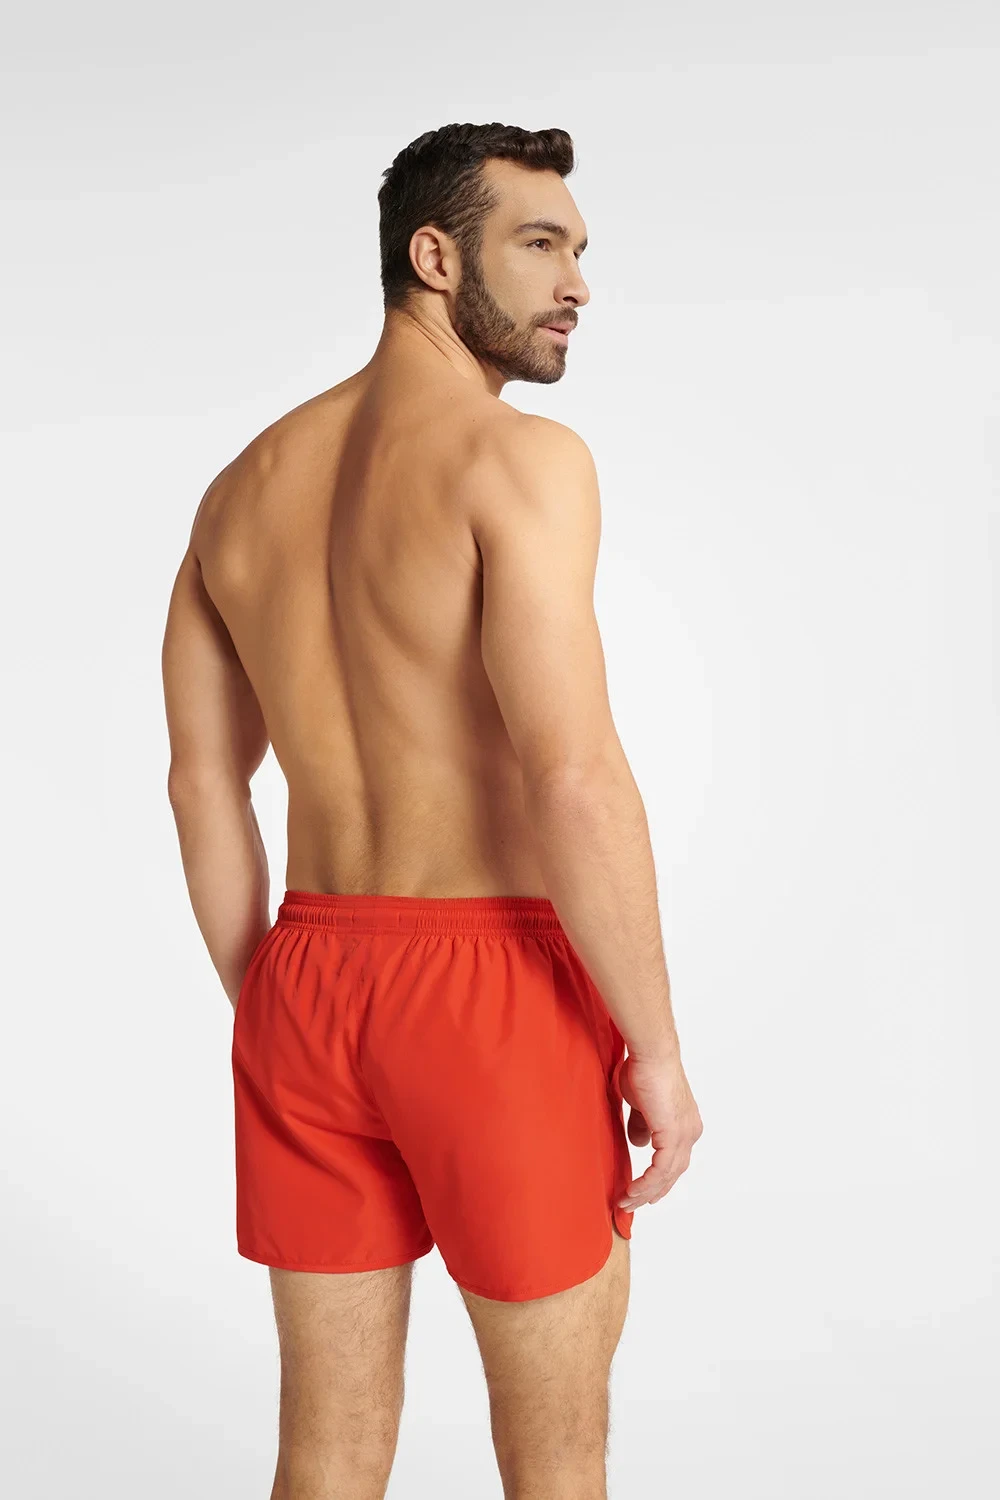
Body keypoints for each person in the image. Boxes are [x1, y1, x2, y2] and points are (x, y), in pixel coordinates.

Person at [161, 121, 703, 1500]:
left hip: (305, 979)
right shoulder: (520, 460)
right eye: (541, 244)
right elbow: (572, 776)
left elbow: (204, 780)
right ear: (435, 255)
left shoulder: (241, 489)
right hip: (493, 989)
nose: (577, 283)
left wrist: (267, 997)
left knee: (326, 1456)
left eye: (580, 250)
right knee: (556, 1461)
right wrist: (655, 1050)